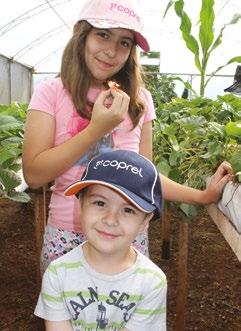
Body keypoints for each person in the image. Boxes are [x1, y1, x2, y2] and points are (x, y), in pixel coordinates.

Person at [23, 0, 233, 273]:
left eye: (125, 42)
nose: (111, 51)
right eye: (103, 34)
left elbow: (145, 175)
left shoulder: (140, 100)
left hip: (129, 236)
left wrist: (202, 196)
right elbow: (34, 175)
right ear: (81, 34)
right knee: (66, 313)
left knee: (129, 312)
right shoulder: (51, 92)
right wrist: (96, 130)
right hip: (68, 236)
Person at [34, 150, 167, 330]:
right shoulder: (57, 275)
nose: (110, 219)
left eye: (128, 210)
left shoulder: (151, 282)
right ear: (80, 205)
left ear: (145, 221)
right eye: (100, 203)